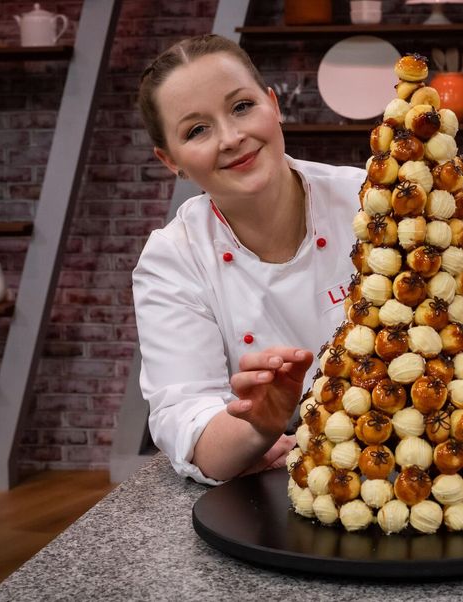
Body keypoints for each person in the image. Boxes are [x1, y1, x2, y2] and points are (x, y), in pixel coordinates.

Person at [132, 34, 364, 485]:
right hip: (281, 491)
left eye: (241, 107)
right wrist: (257, 424)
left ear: (273, 105)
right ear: (170, 160)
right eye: (197, 130)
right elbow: (189, 422)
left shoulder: (371, 202)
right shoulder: (173, 259)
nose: (232, 138)